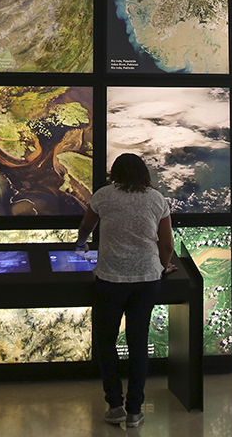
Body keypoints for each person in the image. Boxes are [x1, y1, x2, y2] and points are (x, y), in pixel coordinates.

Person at [77, 153, 176, 429]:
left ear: (115, 173)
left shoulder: (104, 196)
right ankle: (135, 411)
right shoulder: (157, 199)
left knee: (106, 342)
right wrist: (164, 266)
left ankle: (115, 406)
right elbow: (166, 244)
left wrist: (80, 244)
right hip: (146, 279)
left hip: (109, 278)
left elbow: (87, 226)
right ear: (144, 173)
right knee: (138, 343)